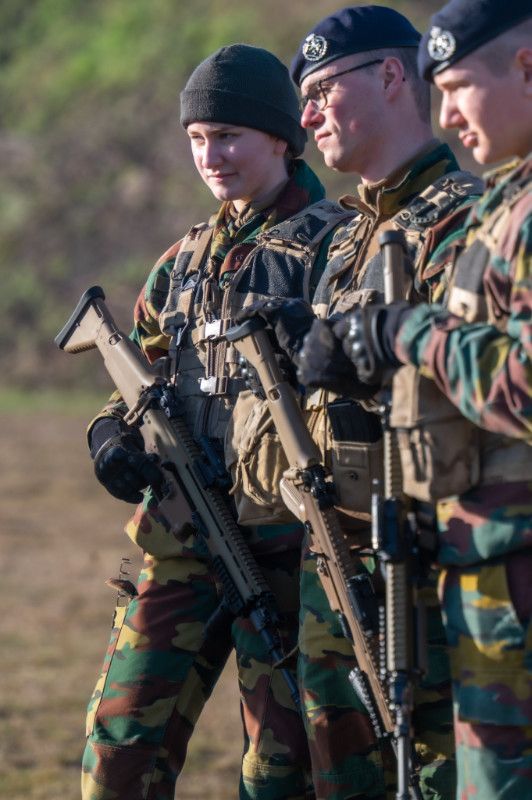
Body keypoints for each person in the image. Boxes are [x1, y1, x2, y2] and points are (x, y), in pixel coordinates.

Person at [81, 43, 351, 800]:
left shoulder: (335, 247)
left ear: (282, 138)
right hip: (179, 545)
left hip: (292, 558)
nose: (212, 155)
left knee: (281, 772)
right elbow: (137, 373)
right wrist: (109, 437)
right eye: (198, 138)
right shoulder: (183, 262)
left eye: (228, 134)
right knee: (119, 758)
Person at [239, 6, 485, 799]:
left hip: (429, 562)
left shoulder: (467, 219)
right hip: (334, 560)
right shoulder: (338, 240)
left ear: (389, 77)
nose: (305, 117)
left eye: (320, 90)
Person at [314, 2, 532, 798]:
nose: (444, 117)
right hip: (486, 566)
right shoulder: (506, 208)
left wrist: (412, 333)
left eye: (460, 88)